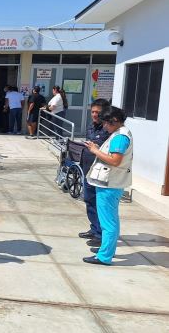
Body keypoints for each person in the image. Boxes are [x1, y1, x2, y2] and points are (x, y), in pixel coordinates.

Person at [83, 106, 133, 266]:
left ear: (115, 121)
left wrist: (94, 150)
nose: (104, 126)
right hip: (110, 183)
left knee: (108, 223)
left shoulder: (120, 137)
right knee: (110, 221)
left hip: (109, 184)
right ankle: (106, 251)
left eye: (106, 123)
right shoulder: (119, 134)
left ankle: (104, 256)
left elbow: (115, 160)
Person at [78, 99, 111, 246]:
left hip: (100, 171)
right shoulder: (91, 126)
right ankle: (94, 228)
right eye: (93, 112)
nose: (95, 115)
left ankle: (100, 234)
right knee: (89, 200)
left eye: (98, 112)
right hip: (87, 168)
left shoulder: (108, 129)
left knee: (99, 203)